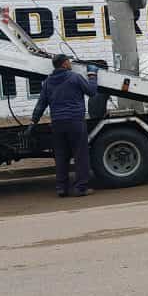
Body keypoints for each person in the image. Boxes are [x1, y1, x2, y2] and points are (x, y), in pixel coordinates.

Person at [29, 54, 98, 197]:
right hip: (75, 121)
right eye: (69, 61)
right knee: (80, 155)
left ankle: (61, 188)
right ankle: (80, 188)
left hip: (57, 123)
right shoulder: (75, 77)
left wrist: (33, 121)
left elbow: (41, 104)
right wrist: (92, 75)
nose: (70, 63)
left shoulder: (48, 82)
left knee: (61, 156)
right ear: (65, 64)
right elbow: (91, 92)